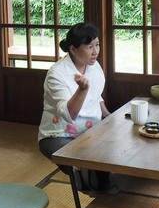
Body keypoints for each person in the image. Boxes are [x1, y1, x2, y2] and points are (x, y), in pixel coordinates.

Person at [37, 23, 111, 191]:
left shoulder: (93, 65)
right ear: (73, 49)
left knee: (116, 151)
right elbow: (68, 114)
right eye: (90, 47)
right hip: (59, 134)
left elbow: (96, 95)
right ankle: (86, 178)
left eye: (97, 45)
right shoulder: (56, 74)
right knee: (82, 164)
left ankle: (96, 180)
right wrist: (82, 89)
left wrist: (107, 115)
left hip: (90, 129)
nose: (95, 51)